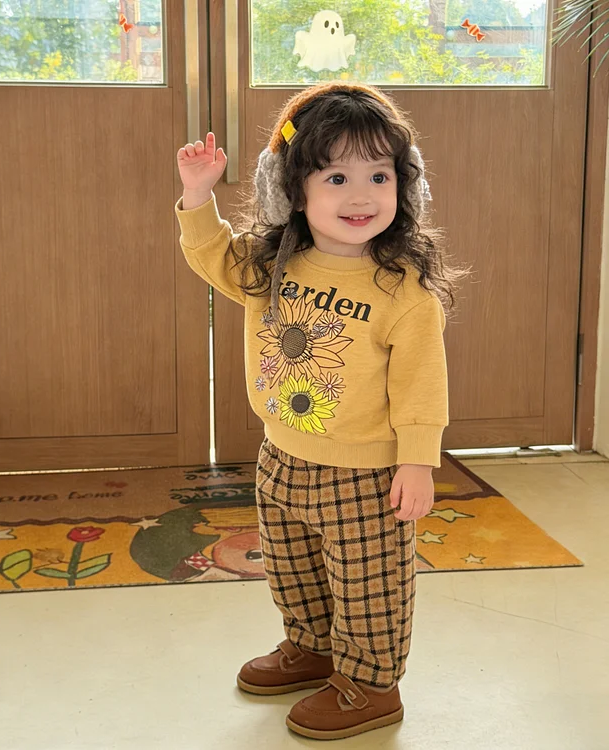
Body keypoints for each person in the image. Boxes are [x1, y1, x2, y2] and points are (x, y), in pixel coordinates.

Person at [175, 82, 468, 741]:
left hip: (366, 475)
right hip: (282, 457)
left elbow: (422, 385)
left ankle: (372, 683)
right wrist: (197, 194)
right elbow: (212, 256)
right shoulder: (274, 264)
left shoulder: (404, 291)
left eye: (379, 176)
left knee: (370, 586)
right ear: (291, 190)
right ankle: (313, 648)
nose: (361, 196)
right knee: (292, 567)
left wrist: (417, 462)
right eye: (336, 177)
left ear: (407, 187)